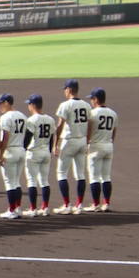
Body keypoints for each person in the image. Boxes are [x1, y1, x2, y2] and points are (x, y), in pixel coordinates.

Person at [53, 79, 93, 214]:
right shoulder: (87, 105)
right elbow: (90, 125)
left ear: (69, 90)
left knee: (61, 173)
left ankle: (66, 205)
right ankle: (79, 205)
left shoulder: (65, 105)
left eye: (65, 89)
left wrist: (55, 144)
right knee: (80, 173)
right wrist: (87, 142)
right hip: (82, 140)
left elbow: (60, 126)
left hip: (69, 141)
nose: (65, 91)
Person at [0, 93, 28, 219]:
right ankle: (18, 208)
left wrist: (1, 154)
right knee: (16, 182)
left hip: (11, 150)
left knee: (10, 182)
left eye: (0, 103)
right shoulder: (23, 116)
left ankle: (11, 210)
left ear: (7, 102)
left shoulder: (5, 117)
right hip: (20, 149)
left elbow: (6, 137)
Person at [23, 94, 55, 217]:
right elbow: (52, 138)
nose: (28, 106)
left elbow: (27, 138)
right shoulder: (50, 119)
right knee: (44, 181)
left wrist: (23, 150)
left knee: (32, 181)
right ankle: (45, 208)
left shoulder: (32, 120)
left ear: (33, 105)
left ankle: (33, 209)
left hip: (34, 152)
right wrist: (49, 150)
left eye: (29, 104)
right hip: (45, 152)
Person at [86, 87, 118, 212]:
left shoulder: (93, 114)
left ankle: (95, 204)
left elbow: (89, 131)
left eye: (92, 99)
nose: (91, 102)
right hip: (108, 145)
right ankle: (107, 203)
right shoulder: (113, 113)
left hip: (95, 145)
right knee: (106, 176)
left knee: (94, 177)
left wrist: (86, 144)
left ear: (96, 99)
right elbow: (114, 132)